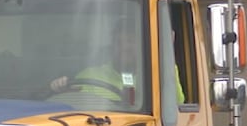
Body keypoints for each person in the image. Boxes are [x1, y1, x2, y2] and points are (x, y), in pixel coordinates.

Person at [49, 27, 185, 105]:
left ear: (141, 45)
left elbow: (177, 103)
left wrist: (166, 55)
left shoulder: (157, 73)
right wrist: (59, 88)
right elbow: (70, 103)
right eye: (119, 42)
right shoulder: (89, 75)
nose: (124, 47)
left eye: (130, 41)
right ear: (112, 47)